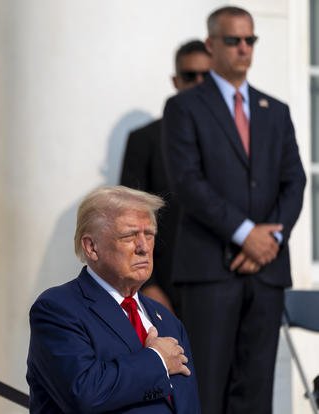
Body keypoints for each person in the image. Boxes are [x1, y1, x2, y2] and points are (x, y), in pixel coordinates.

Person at [162, 6, 306, 414]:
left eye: (250, 40)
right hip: (209, 272)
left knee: (257, 392)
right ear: (211, 44)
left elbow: (294, 180)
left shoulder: (274, 110)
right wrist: (246, 234)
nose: (243, 48)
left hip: (267, 271)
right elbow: (187, 183)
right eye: (233, 40)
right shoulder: (185, 108)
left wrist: (271, 239)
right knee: (205, 390)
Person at [27, 186, 200, 413]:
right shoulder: (58, 309)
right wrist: (156, 360)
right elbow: (83, 394)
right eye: (129, 236)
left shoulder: (168, 321)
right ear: (91, 247)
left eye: (149, 235)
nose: (143, 247)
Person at [120, 40, 211, 314]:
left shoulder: (236, 137)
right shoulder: (144, 140)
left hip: (225, 284)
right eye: (189, 75)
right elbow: (129, 218)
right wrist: (148, 285)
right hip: (167, 285)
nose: (198, 82)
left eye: (206, 76)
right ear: (175, 80)